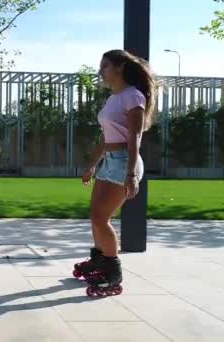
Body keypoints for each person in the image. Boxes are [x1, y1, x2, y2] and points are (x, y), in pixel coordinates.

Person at [73, 49, 156, 297]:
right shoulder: (113, 98)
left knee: (101, 218)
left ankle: (112, 272)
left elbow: (135, 136)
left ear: (119, 67)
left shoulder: (133, 96)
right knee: (95, 216)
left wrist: (131, 174)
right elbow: (106, 136)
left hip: (123, 163)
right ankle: (100, 260)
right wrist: (91, 164)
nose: (101, 71)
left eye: (105, 66)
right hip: (109, 161)